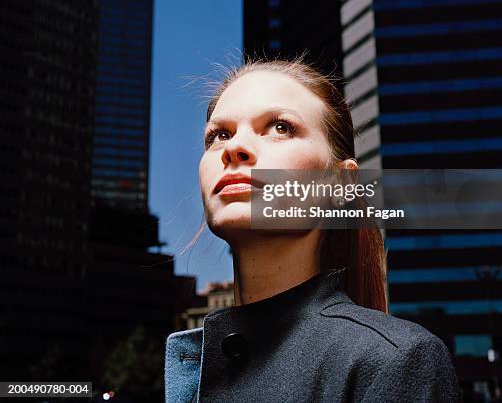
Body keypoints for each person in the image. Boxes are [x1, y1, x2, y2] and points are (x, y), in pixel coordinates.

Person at [165, 56, 460, 402]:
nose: (233, 148)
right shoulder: (193, 368)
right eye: (219, 134)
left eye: (280, 127)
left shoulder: (397, 361)